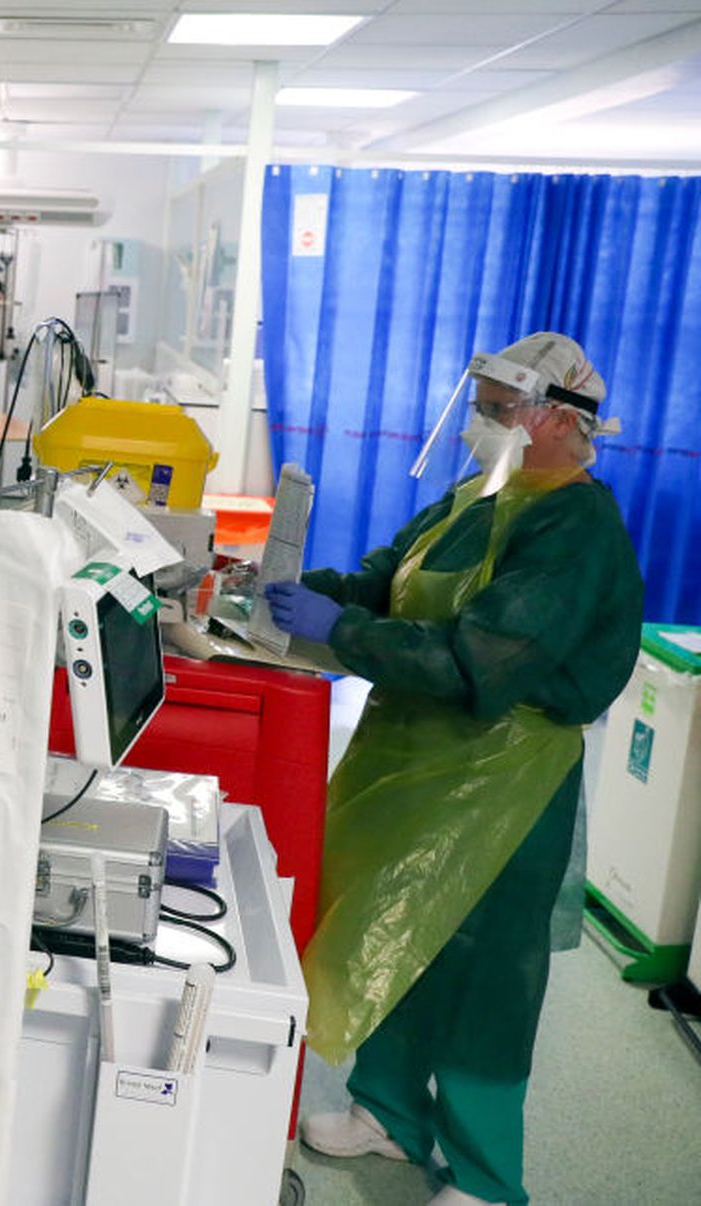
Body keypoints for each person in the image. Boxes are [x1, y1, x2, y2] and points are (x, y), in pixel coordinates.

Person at [267, 333, 642, 1206]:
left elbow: (478, 659)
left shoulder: (575, 527)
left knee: (484, 969)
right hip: (418, 757)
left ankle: (483, 1173)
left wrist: (341, 633)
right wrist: (286, 588)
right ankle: (391, 1115)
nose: (481, 422)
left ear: (554, 416)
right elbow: (386, 578)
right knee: (401, 935)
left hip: (503, 779)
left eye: (498, 408)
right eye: (478, 405)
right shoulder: (480, 493)